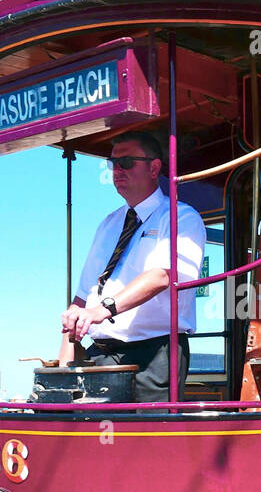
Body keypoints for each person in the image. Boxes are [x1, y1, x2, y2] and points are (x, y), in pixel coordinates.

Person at [59, 132, 206, 402]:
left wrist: (101, 310)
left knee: (149, 440)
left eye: (126, 162)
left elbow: (163, 275)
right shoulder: (108, 224)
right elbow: (83, 297)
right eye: (112, 162)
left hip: (152, 357)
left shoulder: (180, 217)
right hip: (100, 355)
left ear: (154, 167)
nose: (117, 170)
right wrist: (63, 366)